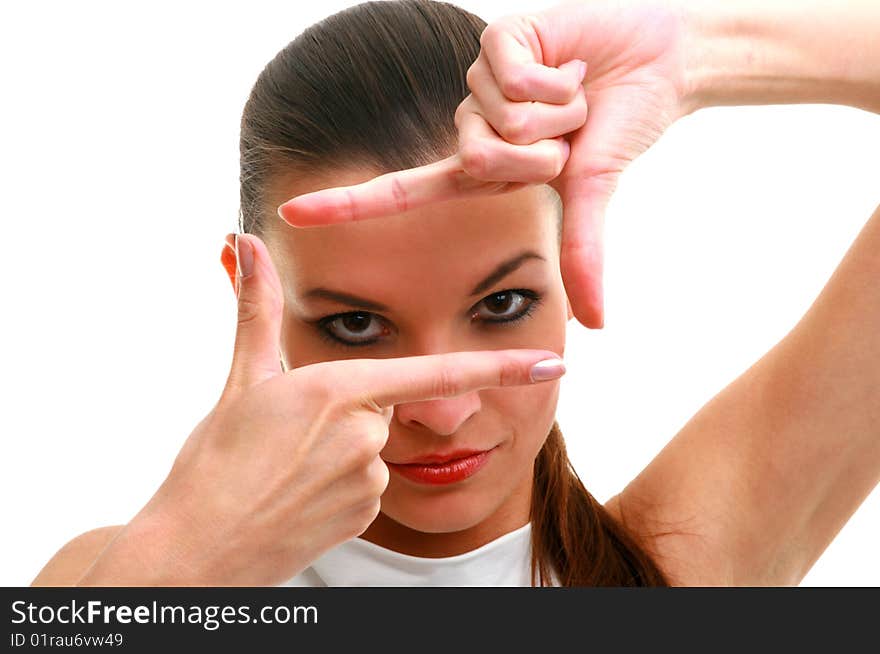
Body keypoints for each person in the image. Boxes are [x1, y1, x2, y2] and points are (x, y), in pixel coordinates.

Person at [32, 0, 879, 586]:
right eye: (357, 324)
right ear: (253, 296)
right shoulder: (117, 583)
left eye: (502, 306)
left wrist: (697, 51)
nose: (441, 409)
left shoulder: (683, 562)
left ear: (565, 267)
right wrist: (191, 560)